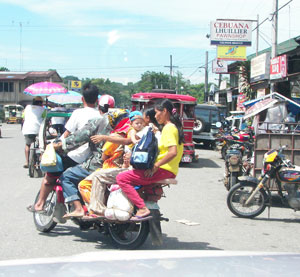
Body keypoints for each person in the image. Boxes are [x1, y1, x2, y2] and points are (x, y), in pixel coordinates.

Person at [27, 83, 101, 213]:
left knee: (50, 175)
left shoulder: (78, 113)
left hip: (75, 156)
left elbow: (65, 136)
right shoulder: (101, 116)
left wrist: (55, 145)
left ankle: (40, 205)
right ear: (97, 100)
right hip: (94, 158)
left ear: (82, 99)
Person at [79, 107, 160, 217]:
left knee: (95, 178)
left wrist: (104, 138)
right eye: (136, 123)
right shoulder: (155, 131)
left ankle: (97, 210)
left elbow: (107, 155)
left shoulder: (139, 131)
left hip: (127, 169)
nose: (139, 125)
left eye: (140, 122)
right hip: (139, 167)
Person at [54, 109, 129, 219]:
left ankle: (78, 208)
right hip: (123, 166)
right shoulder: (130, 129)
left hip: (100, 165)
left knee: (67, 176)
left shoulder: (98, 123)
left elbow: (77, 139)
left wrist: (60, 145)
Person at [116, 99, 184, 221]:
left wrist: (155, 166)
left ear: (165, 111)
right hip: (168, 169)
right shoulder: (172, 127)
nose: (155, 116)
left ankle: (142, 208)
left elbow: (173, 152)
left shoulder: (169, 128)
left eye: (157, 113)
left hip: (163, 169)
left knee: (121, 178)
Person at [22, 96, 46, 168]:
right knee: (42, 144)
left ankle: (27, 162)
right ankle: (42, 158)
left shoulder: (27, 107)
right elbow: (44, 118)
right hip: (38, 129)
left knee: (28, 145)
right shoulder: (43, 109)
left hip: (27, 129)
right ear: (41, 103)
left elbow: (23, 116)